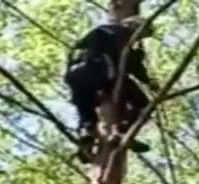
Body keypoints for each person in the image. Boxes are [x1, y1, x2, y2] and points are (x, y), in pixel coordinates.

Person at [64, 17, 157, 162]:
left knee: (85, 106)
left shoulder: (98, 35)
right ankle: (122, 131)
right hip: (97, 71)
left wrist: (146, 78)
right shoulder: (115, 32)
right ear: (134, 26)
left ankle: (87, 137)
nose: (139, 38)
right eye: (141, 34)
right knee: (141, 103)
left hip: (75, 75)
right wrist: (147, 78)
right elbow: (128, 61)